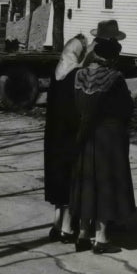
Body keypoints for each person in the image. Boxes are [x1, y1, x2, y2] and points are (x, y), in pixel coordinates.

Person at [70, 20, 136, 252]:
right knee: (106, 184)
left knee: (86, 183)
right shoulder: (115, 79)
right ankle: (102, 236)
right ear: (111, 56)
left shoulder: (79, 77)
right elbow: (126, 109)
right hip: (109, 137)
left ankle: (82, 233)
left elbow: (76, 107)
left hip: (85, 135)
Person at [44, 33, 88, 241]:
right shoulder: (77, 75)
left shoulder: (57, 72)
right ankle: (68, 229)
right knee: (71, 179)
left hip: (53, 134)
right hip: (70, 134)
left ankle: (56, 224)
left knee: (57, 179)